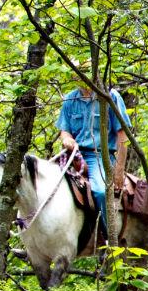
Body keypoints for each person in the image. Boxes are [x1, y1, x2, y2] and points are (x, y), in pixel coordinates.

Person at [55, 74, 131, 220]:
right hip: (72, 155)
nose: (80, 76)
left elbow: (123, 136)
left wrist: (119, 169)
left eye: (85, 71)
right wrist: (67, 140)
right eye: (77, 73)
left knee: (100, 191)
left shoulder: (110, 97)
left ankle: (108, 235)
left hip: (100, 156)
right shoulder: (70, 99)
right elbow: (65, 131)